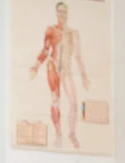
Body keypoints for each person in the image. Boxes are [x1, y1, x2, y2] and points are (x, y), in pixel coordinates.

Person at [29, 1, 90, 149]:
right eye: (60, 12)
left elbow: (78, 57)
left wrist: (84, 76)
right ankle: (58, 134)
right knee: (55, 102)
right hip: (53, 69)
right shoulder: (51, 30)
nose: (62, 15)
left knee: (74, 103)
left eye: (64, 12)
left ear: (67, 14)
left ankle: (72, 133)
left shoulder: (73, 34)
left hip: (67, 72)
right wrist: (36, 66)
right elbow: (45, 50)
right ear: (56, 13)